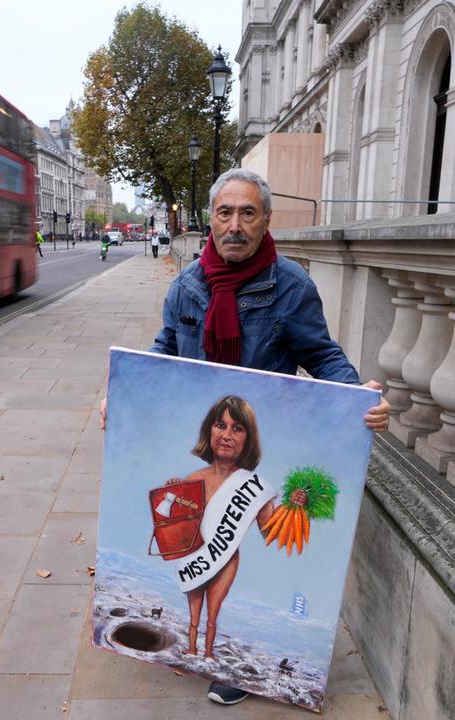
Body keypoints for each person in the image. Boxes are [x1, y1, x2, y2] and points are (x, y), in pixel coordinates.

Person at [100, 167, 390, 706]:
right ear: (210, 219)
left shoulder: (292, 286)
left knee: (243, 559)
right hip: (207, 439)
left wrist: (358, 398)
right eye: (225, 212)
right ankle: (190, 641)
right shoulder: (187, 285)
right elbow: (165, 348)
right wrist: (121, 392)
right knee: (190, 547)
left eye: (247, 213)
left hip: (255, 448)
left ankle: (239, 668)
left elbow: (321, 354)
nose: (235, 225)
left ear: (266, 221)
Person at [167, 396, 274, 660]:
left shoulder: (253, 487)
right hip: (194, 555)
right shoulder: (195, 479)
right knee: (193, 612)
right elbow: (175, 522)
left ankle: (208, 655)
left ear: (248, 438)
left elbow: (271, 534)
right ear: (209, 430)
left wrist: (291, 512)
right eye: (220, 425)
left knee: (213, 614)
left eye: (237, 428)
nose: (226, 435)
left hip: (224, 560)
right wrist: (173, 494)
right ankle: (191, 650)